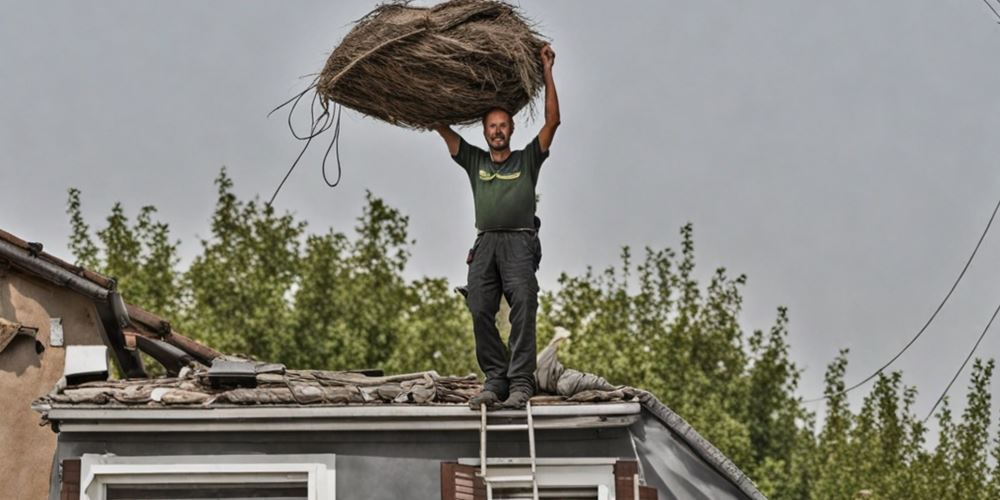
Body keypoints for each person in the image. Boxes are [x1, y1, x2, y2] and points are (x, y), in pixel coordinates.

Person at [434, 44, 560, 410]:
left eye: (503, 125)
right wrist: (429, 94)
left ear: (511, 128)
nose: (498, 131)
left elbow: (552, 122)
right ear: (486, 131)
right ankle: (495, 378)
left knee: (523, 305)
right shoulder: (474, 160)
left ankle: (521, 383)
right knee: (478, 306)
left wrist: (548, 70)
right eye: (492, 126)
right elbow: (441, 127)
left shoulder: (527, 159)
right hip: (485, 243)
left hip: (520, 243)